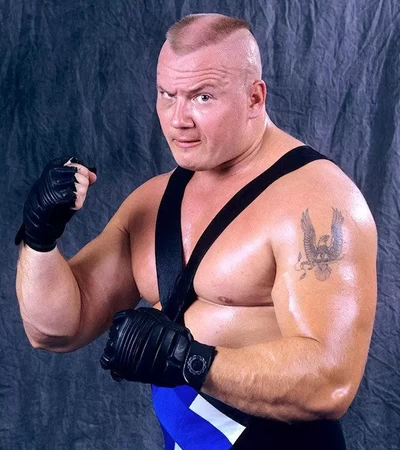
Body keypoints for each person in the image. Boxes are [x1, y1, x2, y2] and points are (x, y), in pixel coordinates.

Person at [15, 13, 377, 450]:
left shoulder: (316, 202)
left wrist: (186, 358)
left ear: (254, 98)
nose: (178, 119)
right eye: (167, 95)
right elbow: (55, 330)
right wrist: (40, 237)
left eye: (202, 97)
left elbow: (330, 382)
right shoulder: (153, 200)